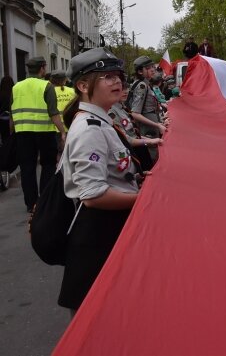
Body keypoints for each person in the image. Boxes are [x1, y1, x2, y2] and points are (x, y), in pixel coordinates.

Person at [58, 48, 140, 313]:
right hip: (97, 238)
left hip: (108, 230)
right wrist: (144, 200)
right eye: (106, 76)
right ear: (83, 85)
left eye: (118, 75)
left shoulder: (101, 121)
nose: (117, 81)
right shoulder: (90, 129)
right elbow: (92, 195)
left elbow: (114, 172)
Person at [11, 57, 67, 212]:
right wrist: (62, 132)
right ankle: (44, 200)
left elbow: (12, 112)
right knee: (48, 164)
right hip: (44, 132)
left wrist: (12, 132)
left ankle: (31, 204)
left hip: (23, 132)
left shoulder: (16, 87)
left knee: (27, 167)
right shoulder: (46, 86)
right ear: (42, 68)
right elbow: (53, 113)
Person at [108, 80, 161, 172]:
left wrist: (148, 140)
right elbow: (125, 138)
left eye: (126, 88)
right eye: (120, 89)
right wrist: (148, 141)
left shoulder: (123, 108)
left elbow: (133, 134)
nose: (125, 91)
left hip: (140, 150)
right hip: (133, 153)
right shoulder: (112, 112)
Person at [129, 56, 167, 144]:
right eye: (148, 68)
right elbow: (135, 113)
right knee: (153, 154)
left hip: (152, 125)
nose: (153, 70)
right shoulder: (142, 85)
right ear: (140, 71)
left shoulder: (146, 83)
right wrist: (157, 125)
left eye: (153, 66)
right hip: (147, 129)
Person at [0, 76, 13, 191]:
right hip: (9, 122)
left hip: (1, 123)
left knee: (3, 141)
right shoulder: (12, 94)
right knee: (8, 144)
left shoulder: (1, 95)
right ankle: (7, 162)